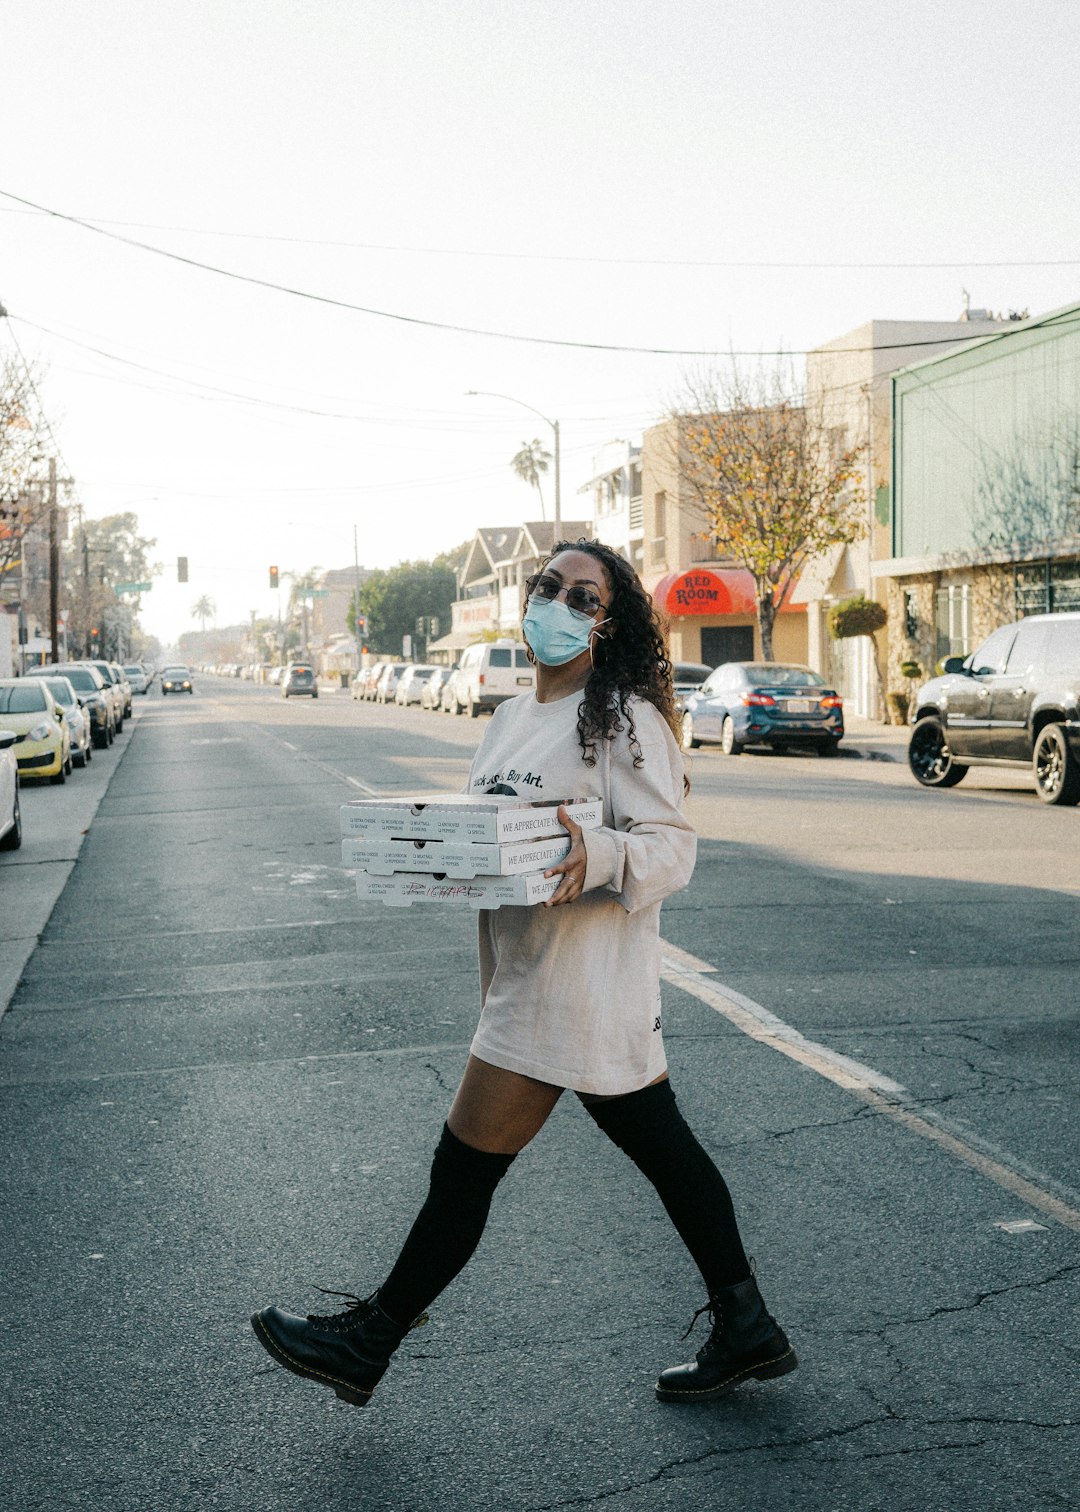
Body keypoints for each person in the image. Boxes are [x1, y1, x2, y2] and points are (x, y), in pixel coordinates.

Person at [252, 540, 796, 1408]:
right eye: (549, 586)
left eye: (583, 596)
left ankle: (370, 1341)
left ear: (609, 623)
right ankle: (748, 1325)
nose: (559, 603)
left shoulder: (622, 719)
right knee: (669, 1155)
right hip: (530, 979)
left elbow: (674, 851)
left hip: (574, 989)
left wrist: (603, 852)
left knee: (463, 1171)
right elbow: (491, 862)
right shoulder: (507, 722)